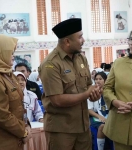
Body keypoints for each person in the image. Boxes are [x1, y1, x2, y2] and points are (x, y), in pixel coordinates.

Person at [38, 18, 102, 150]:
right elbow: (57, 100)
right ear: (67, 41)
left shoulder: (81, 58)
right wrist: (86, 94)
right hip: (61, 130)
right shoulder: (51, 64)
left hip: (83, 127)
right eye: (80, 37)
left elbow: (89, 85)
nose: (83, 40)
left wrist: (94, 94)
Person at [103, 26, 132, 150]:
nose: (131, 43)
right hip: (120, 124)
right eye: (130, 39)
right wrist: (114, 101)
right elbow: (107, 88)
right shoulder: (119, 63)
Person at [0, 34, 31, 150]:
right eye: (10, 53)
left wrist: (27, 126)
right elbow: (1, 115)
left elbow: (20, 106)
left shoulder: (9, 75)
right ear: (0, 52)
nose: (13, 56)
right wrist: (23, 132)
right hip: (4, 141)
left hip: (16, 138)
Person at [88, 72, 108, 150]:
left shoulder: (109, 92)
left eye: (100, 79)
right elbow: (89, 110)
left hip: (110, 115)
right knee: (102, 126)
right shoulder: (92, 92)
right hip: (96, 116)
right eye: (96, 79)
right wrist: (99, 116)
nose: (98, 81)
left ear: (105, 81)